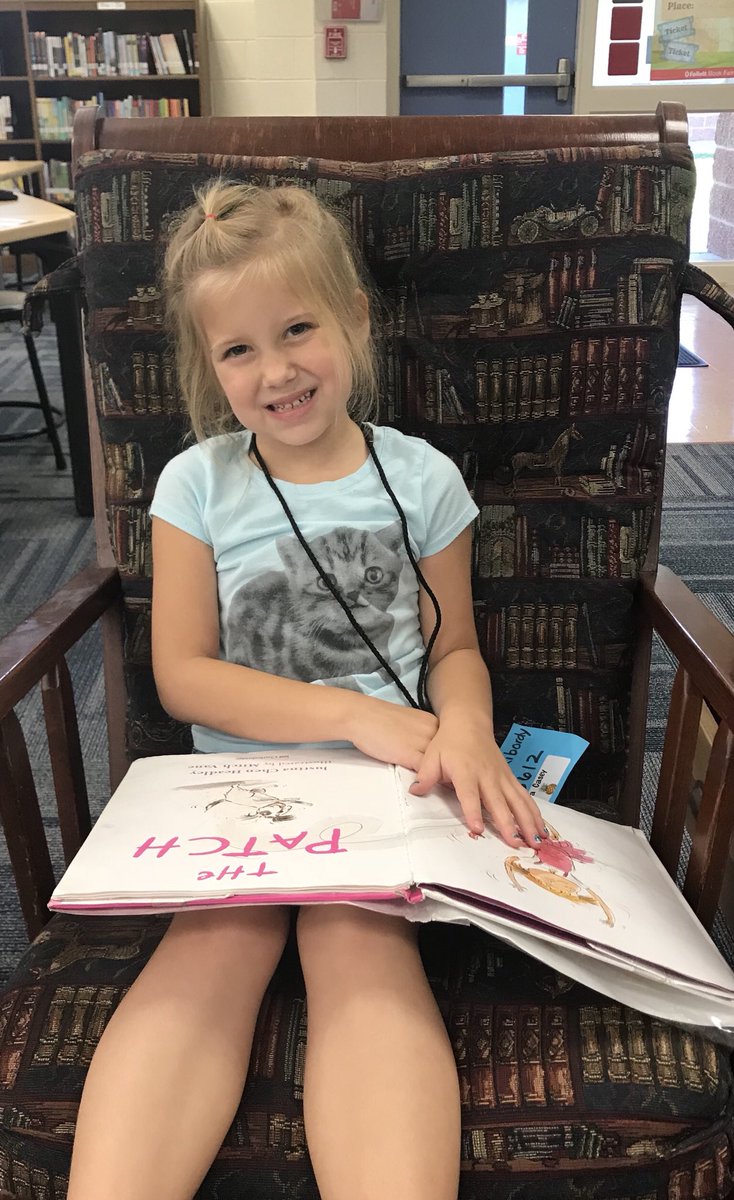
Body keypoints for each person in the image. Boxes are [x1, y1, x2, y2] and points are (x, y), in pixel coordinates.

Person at [67, 181, 546, 1200]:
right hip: (238, 790)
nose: (276, 370)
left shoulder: (422, 480)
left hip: (384, 794)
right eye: (237, 350)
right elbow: (184, 677)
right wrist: (358, 715)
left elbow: (453, 644)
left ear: (354, 323)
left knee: (359, 946)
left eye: (296, 329)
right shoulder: (196, 484)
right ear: (209, 370)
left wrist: (460, 728)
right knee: (213, 948)